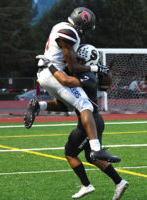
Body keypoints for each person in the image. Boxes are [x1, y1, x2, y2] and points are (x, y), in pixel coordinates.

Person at [24, 7, 119, 163]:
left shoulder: (59, 26)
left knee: (69, 105)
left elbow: (97, 82)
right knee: (84, 105)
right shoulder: (70, 33)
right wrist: (95, 68)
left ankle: (39, 106)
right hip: (53, 73)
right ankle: (96, 149)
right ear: (81, 24)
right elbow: (73, 68)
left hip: (47, 73)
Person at [39, 44, 129, 199]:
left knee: (70, 153)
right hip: (93, 120)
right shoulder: (87, 72)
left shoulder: (88, 76)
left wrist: (50, 66)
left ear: (87, 60)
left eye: (79, 59)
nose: (76, 61)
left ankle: (87, 185)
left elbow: (67, 81)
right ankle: (119, 182)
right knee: (91, 157)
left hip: (90, 121)